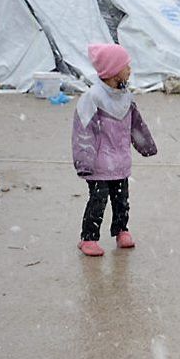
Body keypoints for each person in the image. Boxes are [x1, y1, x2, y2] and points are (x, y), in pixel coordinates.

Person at [72, 43, 158, 257]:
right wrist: (84, 161)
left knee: (121, 200)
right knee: (98, 200)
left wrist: (146, 146)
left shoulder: (126, 97)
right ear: (112, 72)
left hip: (120, 161)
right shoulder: (92, 98)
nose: (130, 70)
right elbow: (83, 131)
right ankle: (88, 238)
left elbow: (136, 125)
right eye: (126, 66)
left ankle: (121, 230)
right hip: (98, 164)